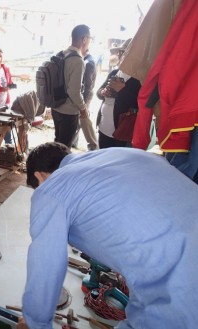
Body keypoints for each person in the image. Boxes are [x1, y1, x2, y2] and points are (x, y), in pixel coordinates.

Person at [17, 142, 198, 329]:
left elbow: (47, 261)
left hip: (181, 285)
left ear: (39, 175)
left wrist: (34, 322)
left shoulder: (53, 187)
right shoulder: (127, 154)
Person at [96, 39, 141, 149]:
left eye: (124, 52)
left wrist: (122, 91)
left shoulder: (139, 78)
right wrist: (102, 92)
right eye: (120, 52)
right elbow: (98, 92)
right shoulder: (114, 72)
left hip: (121, 131)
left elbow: (140, 103)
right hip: (103, 126)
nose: (121, 55)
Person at [51, 24, 91, 148]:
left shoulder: (62, 53)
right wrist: (83, 108)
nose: (89, 42)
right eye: (89, 38)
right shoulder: (78, 60)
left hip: (56, 106)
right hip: (68, 111)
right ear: (84, 39)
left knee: (58, 143)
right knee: (64, 148)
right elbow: (74, 91)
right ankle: (59, 167)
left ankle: (53, 166)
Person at [72, 47, 98, 150]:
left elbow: (88, 85)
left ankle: (93, 146)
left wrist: (84, 104)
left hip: (85, 96)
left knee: (84, 120)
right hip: (84, 95)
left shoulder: (88, 63)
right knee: (79, 120)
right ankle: (73, 141)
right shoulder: (88, 60)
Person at [0, 47, 16, 144]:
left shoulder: (6, 69)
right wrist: (0, 89)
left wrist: (10, 86)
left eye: (1, 56)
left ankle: (9, 145)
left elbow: (9, 82)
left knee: (6, 125)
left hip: (6, 101)